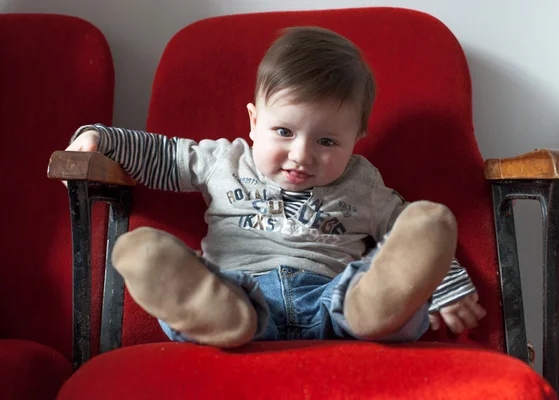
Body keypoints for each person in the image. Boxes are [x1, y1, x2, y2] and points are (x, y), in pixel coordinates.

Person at [66, 26, 486, 348]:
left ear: (357, 136)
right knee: (216, 294)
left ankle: (374, 309)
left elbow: (409, 234)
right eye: (284, 131)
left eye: (326, 142)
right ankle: (208, 310)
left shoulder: (362, 182)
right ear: (253, 121)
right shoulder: (223, 160)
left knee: (371, 284)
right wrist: (101, 138)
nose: (301, 155)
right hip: (240, 294)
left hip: (334, 304)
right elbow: (161, 154)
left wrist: (444, 284)